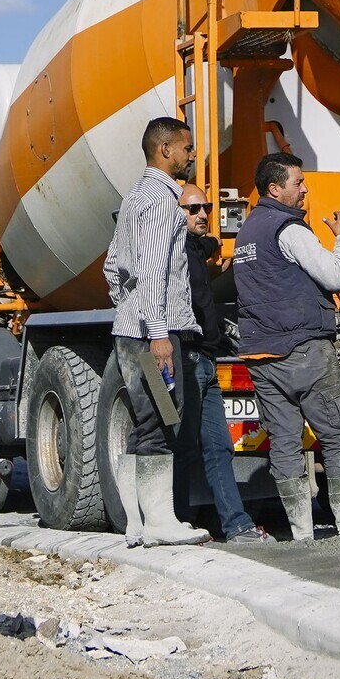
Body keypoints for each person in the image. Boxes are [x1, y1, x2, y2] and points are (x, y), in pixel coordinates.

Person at [234, 151, 340, 540]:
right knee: (336, 436)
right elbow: (332, 276)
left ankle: (301, 535)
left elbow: (286, 280)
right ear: (275, 188)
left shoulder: (249, 231)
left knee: (284, 445)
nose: (305, 189)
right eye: (298, 182)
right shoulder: (289, 229)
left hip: (262, 356)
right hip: (303, 351)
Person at [100, 117, 208, 546]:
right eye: (186, 148)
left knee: (148, 421)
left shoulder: (133, 197)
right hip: (154, 334)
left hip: (133, 328)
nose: (192, 155)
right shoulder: (163, 202)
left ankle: (138, 524)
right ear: (165, 150)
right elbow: (150, 271)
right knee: (162, 422)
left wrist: (125, 306)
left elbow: (113, 265)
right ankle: (160, 522)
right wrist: (159, 334)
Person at [175, 182, 270, 542]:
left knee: (218, 446)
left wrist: (214, 245)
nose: (202, 214)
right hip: (183, 359)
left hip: (207, 361)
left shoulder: (197, 250)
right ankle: (178, 520)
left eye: (207, 208)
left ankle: (237, 525)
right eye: (193, 209)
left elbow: (206, 244)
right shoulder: (172, 253)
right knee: (181, 446)